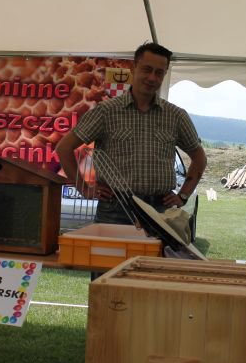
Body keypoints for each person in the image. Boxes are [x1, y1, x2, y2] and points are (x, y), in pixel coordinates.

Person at [56, 41, 207, 226]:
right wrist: (84, 189)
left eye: (159, 72)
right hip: (114, 209)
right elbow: (64, 148)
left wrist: (183, 196)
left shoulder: (176, 116)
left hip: (159, 210)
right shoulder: (106, 112)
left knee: (153, 248)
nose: (152, 77)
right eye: (147, 69)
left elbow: (199, 158)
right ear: (134, 68)